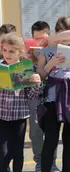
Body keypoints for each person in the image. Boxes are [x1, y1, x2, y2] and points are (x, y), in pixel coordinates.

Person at [37, 16, 70, 172]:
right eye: (60, 34)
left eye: (65, 36)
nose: (64, 39)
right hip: (52, 97)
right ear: (56, 32)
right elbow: (40, 75)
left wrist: (53, 38)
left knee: (69, 138)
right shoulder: (45, 51)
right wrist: (51, 64)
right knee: (51, 138)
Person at [0, 33, 41, 172]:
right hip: (2, 116)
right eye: (4, 50)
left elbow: (30, 96)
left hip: (19, 117)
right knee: (3, 153)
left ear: (20, 52)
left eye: (11, 51)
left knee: (17, 152)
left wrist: (35, 84)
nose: (7, 54)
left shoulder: (24, 69)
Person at [28, 21, 60, 172]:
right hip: (35, 97)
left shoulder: (56, 51)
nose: (39, 41)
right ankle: (39, 162)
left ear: (49, 35)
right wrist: (30, 62)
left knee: (51, 131)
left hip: (52, 96)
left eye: (43, 38)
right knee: (35, 132)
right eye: (36, 38)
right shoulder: (30, 55)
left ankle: (52, 163)